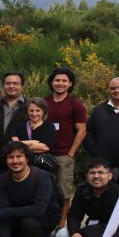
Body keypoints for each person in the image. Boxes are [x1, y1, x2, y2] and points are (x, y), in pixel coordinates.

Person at [55, 158, 119, 237]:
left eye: (101, 172)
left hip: (116, 233)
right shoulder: (82, 190)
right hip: (94, 229)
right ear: (87, 176)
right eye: (92, 172)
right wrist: (75, 233)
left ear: (110, 175)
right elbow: (74, 215)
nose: (96, 176)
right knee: (62, 235)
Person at [43, 67, 87, 217]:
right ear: (51, 82)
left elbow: (82, 130)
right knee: (44, 189)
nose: (60, 83)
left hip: (64, 155)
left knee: (64, 191)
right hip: (44, 153)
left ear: (70, 84)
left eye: (64, 81)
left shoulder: (75, 104)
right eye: (57, 80)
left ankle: (61, 224)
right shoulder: (44, 102)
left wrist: (71, 153)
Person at [0, 72, 28, 181]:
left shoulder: (29, 107)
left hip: (19, 161)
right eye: (8, 83)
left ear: (22, 86)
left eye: (15, 83)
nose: (11, 86)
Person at [85, 77, 119, 174]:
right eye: (113, 88)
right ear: (108, 90)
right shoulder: (99, 110)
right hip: (103, 167)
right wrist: (96, 154)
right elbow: (88, 133)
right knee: (105, 189)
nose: (117, 90)